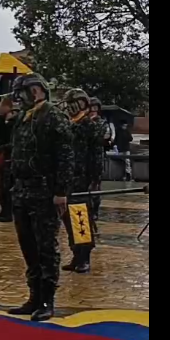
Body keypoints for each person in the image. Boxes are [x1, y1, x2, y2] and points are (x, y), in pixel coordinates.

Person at [7, 74, 74, 322]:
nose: (17, 98)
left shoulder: (53, 116)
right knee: (28, 247)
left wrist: (61, 192)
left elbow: (65, 157)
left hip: (45, 192)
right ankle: (34, 297)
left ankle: (47, 301)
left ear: (36, 90)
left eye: (21, 92)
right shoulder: (25, 117)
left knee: (46, 247)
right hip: (22, 191)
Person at [61, 88, 96, 274]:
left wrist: (94, 178)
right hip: (67, 178)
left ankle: (84, 258)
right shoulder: (67, 123)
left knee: (81, 218)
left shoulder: (88, 124)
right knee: (69, 219)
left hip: (82, 179)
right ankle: (76, 254)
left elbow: (95, 154)